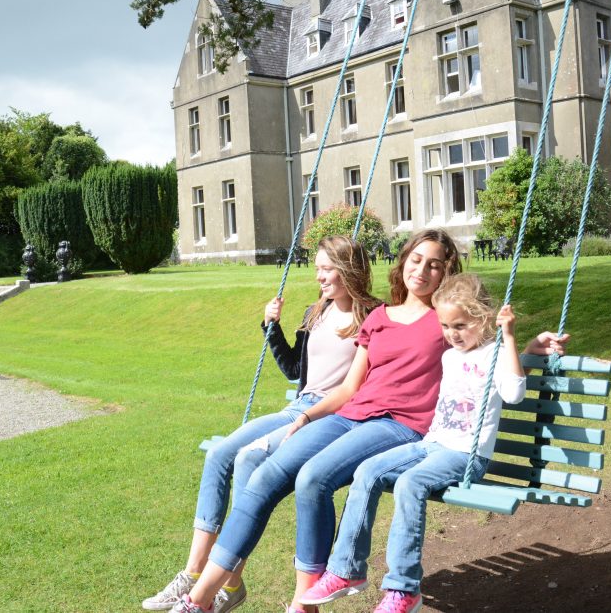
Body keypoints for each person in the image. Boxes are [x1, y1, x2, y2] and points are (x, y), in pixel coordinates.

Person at [170, 229, 464, 613]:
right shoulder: (378, 317)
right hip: (349, 414)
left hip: (398, 425)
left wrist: (529, 346)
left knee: (312, 478)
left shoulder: (445, 318)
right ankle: (200, 600)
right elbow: (348, 388)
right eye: (416, 259)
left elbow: (484, 343)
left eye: (434, 265)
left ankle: (301, 606)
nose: (422, 270)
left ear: (446, 273)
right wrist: (306, 415)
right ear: (403, 261)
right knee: (265, 475)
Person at [299, 274, 569, 613]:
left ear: (483, 318)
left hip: (465, 455)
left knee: (411, 483)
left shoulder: (495, 351)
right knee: (367, 470)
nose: (452, 334)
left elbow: (513, 392)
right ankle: (347, 569)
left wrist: (512, 338)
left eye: (460, 325)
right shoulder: (451, 356)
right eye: (445, 326)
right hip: (433, 444)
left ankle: (403, 588)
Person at [143, 236, 380, 612]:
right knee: (220, 454)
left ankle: (229, 585)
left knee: (248, 459)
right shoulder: (315, 311)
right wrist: (272, 328)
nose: (319, 276)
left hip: (332, 418)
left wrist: (310, 416)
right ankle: (194, 573)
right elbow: (294, 369)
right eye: (316, 268)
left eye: (326, 268)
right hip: (300, 405)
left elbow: (365, 386)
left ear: (348, 267)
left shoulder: (374, 316)